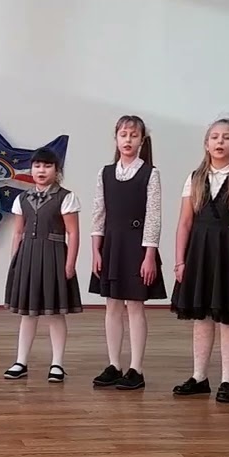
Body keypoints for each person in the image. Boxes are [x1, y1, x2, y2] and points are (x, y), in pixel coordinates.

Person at [170, 115, 229, 402]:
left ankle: (228, 381)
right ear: (206, 144)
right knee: (202, 317)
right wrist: (180, 261)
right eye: (215, 137)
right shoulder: (195, 178)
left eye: (227, 137)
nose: (220, 142)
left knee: (228, 318)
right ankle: (199, 376)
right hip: (200, 253)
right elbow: (184, 222)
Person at [89, 115, 165, 391]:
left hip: (136, 246)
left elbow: (153, 217)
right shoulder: (105, 173)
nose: (128, 140)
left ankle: (136, 368)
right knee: (112, 306)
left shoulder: (150, 173)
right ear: (116, 138)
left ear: (142, 140)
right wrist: (96, 251)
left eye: (133, 135)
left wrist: (149, 255)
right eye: (123, 135)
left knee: (135, 306)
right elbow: (99, 213)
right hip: (112, 245)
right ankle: (114, 365)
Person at [3, 147, 83, 382]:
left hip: (54, 256)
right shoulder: (22, 199)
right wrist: (15, 261)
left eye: (47, 166)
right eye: (37, 165)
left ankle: (57, 363)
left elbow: (73, 233)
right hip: (28, 256)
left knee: (55, 313)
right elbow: (18, 232)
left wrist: (70, 263)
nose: (41, 170)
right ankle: (21, 361)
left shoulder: (65, 197)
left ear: (57, 170)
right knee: (27, 313)